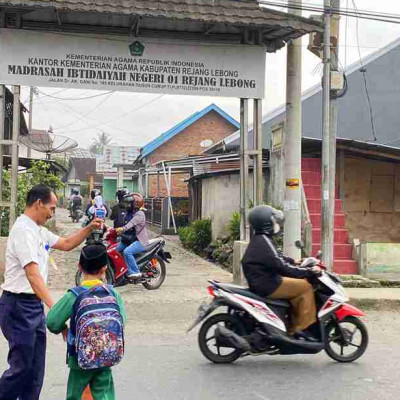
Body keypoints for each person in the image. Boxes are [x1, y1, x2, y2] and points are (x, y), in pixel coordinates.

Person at [0, 184, 102, 400]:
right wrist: (57, 312)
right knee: (21, 369)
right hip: (18, 306)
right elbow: (33, 277)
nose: (52, 212)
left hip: (33, 306)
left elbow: (65, 244)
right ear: (38, 203)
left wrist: (90, 228)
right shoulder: (22, 230)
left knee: (36, 370)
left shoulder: (38, 230)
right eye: (52, 208)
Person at [47, 244, 126, 400]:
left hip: (79, 359)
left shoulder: (74, 295)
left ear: (79, 267)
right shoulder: (113, 294)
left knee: (76, 394)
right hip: (106, 357)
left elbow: (52, 322)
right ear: (105, 268)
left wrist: (64, 329)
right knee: (104, 394)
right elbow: (122, 321)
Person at [241, 205, 321, 341]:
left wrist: (295, 261)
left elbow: (277, 258)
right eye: (274, 221)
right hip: (269, 284)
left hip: (263, 281)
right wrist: (309, 272)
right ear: (266, 223)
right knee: (305, 287)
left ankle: (290, 321)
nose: (277, 224)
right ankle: (302, 329)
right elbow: (282, 267)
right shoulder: (263, 242)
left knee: (297, 286)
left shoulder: (261, 239)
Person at [115, 192, 149, 279]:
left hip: (139, 241)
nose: (127, 205)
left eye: (129, 203)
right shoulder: (128, 213)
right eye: (126, 202)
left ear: (136, 203)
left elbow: (131, 224)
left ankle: (135, 272)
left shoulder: (139, 214)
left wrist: (122, 229)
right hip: (128, 239)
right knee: (115, 250)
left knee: (127, 252)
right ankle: (123, 269)